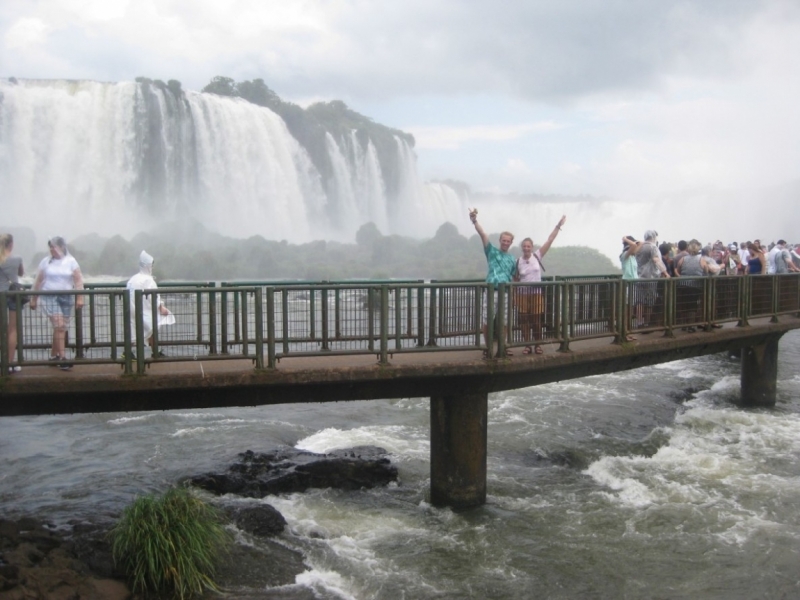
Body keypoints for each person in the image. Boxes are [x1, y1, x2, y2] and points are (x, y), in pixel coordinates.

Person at [29, 236, 83, 370]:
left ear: (62, 247)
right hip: (49, 295)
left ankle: (54, 356)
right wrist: (34, 298)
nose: (52, 249)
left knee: (61, 327)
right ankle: (63, 358)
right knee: (59, 324)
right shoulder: (46, 262)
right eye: (50, 247)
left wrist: (80, 298)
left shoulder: (71, 261)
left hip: (66, 296)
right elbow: (39, 281)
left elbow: (78, 280)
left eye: (54, 246)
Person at [515, 216, 567, 355]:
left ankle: (538, 345)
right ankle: (527, 345)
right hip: (522, 294)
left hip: (536, 293)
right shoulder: (518, 261)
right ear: (522, 248)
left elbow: (550, 240)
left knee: (536, 320)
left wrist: (558, 225)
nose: (526, 248)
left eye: (529, 246)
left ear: (532, 247)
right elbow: (515, 279)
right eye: (524, 246)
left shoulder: (537, 256)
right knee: (524, 320)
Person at [470, 208, 517, 357]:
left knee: (504, 322)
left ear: (511, 243)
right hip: (491, 291)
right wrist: (474, 220)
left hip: (506, 293)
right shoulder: (491, 251)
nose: (505, 243)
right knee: (487, 319)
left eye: (508, 241)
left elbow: (514, 278)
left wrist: (514, 296)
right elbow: (482, 234)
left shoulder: (512, 259)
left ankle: (502, 347)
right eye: (503, 240)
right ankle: (489, 347)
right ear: (500, 241)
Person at [126, 250, 172, 357]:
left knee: (134, 329)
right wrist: (161, 307)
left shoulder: (133, 278)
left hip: (131, 308)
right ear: (148, 266)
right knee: (152, 327)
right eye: (152, 265)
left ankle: (128, 353)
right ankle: (155, 353)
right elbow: (154, 296)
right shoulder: (148, 280)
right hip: (143, 309)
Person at [635, 230, 670, 329]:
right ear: (654, 237)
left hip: (638, 277)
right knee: (650, 301)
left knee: (639, 301)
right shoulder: (653, 247)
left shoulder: (639, 247)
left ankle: (639, 322)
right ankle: (647, 322)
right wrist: (665, 272)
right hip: (650, 278)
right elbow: (656, 260)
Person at [0, 234, 25, 373]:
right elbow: (21, 274)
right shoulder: (17, 259)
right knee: (12, 329)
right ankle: (10, 362)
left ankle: (1, 360)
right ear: (11, 244)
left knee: (1, 329)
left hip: (0, 295)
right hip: (13, 295)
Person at [675, 239, 705, 332]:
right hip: (695, 286)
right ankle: (691, 326)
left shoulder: (683, 259)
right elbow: (706, 270)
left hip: (683, 285)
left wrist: (680, 276)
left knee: (684, 304)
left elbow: (678, 269)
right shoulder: (701, 259)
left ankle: (684, 325)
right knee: (692, 306)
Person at [620, 235, 642, 341]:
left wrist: (634, 241)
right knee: (626, 311)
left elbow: (640, 243)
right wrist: (626, 240)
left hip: (633, 285)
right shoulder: (625, 255)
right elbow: (634, 245)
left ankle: (628, 332)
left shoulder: (632, 256)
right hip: (627, 286)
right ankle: (624, 334)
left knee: (630, 311)